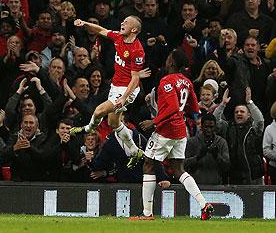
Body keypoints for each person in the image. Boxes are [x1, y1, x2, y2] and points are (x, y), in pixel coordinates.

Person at [130, 49, 214, 220]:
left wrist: (154, 121)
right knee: (178, 169)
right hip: (181, 130)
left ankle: (147, 214)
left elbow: (173, 107)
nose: (166, 59)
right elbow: (194, 108)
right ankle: (204, 204)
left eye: (168, 57)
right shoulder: (186, 82)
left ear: (172, 63)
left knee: (148, 164)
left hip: (166, 130)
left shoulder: (167, 81)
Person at [70, 15, 150, 168]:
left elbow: (135, 79)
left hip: (127, 90)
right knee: (114, 123)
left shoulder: (137, 50)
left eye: (126, 22)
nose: (122, 22)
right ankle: (135, 151)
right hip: (115, 86)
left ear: (133, 29)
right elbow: (101, 30)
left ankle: (87, 128)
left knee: (99, 111)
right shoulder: (119, 37)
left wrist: (124, 98)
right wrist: (85, 22)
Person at [213, 87, 265, 184]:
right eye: (236, 112)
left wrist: (249, 102)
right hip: (233, 174)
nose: (239, 113)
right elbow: (214, 121)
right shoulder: (228, 127)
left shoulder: (253, 129)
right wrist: (223, 104)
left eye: (242, 111)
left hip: (253, 173)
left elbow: (260, 120)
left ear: (249, 115)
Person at [185, 113, 230, 185]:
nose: (209, 130)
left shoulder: (221, 142)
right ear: (201, 127)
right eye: (206, 127)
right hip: (196, 185)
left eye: (211, 127)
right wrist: (198, 157)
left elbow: (227, 166)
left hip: (216, 185)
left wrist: (217, 156)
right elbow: (184, 164)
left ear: (215, 127)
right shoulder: (192, 142)